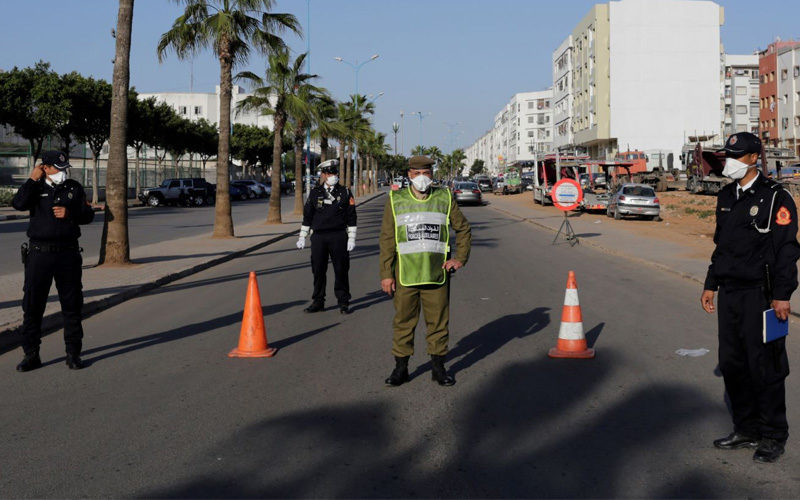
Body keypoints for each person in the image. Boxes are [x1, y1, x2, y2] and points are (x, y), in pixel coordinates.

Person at [701, 132, 800, 463]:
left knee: (767, 366)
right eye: (727, 154)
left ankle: (773, 434)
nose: (728, 161)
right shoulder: (727, 196)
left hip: (763, 296)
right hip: (730, 294)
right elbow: (722, 246)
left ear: (753, 158)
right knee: (733, 364)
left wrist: (782, 295)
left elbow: (787, 249)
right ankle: (746, 428)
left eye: (736, 155)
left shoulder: (776, 198)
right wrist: (710, 283)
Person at [379, 155, 472, 387]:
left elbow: (463, 229)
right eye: (417, 173)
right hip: (405, 275)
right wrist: (386, 274)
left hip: (436, 274)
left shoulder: (445, 197)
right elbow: (387, 239)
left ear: (432, 174)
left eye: (426, 173)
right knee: (403, 323)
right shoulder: (395, 199)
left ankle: (438, 369)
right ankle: (401, 369)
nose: (421, 177)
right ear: (409, 174)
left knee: (438, 323)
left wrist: (460, 258)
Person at [12, 151, 95, 372]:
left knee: (72, 305)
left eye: (64, 168)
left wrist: (70, 213)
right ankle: (31, 354)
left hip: (67, 254)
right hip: (40, 255)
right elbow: (18, 204)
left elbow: (88, 215)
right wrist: (31, 179)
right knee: (32, 306)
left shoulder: (73, 188)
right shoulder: (35, 188)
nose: (62, 172)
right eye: (57, 168)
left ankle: (73, 353)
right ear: (45, 168)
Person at [296, 160, 357, 314]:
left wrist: (351, 238)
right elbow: (308, 216)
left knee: (341, 270)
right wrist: (302, 236)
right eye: (329, 173)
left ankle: (343, 301)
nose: (332, 176)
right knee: (318, 270)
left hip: (338, 236)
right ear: (323, 175)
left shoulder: (345, 192)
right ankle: (318, 301)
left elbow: (351, 216)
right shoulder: (315, 193)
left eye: (334, 173)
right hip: (319, 237)